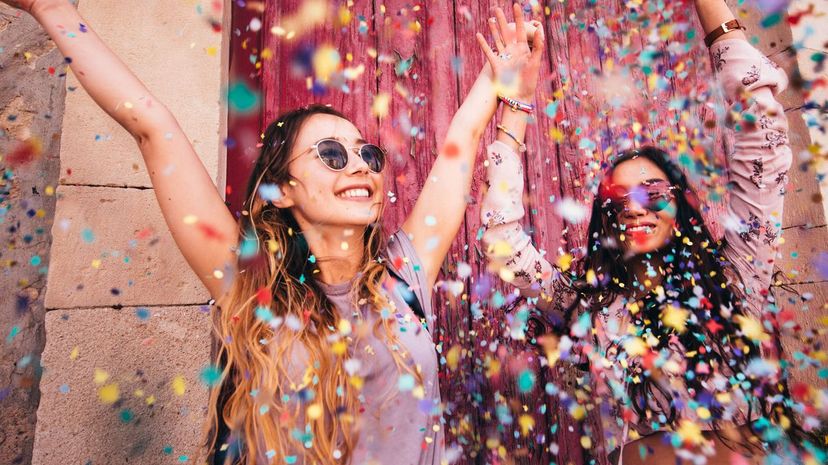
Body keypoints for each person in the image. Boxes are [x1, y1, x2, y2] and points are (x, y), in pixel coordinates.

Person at [2, 0, 547, 463]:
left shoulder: (404, 276)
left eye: (367, 153)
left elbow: (463, 140)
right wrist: (53, 9)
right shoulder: (249, 284)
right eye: (331, 154)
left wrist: (505, 83)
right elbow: (153, 127)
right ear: (282, 189)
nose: (360, 165)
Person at [479, 1, 816, 464]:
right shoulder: (588, 308)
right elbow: (503, 241)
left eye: (653, 191)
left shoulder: (737, 277)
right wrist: (515, 104)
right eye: (617, 199)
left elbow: (764, 140)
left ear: (679, 203)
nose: (635, 208)